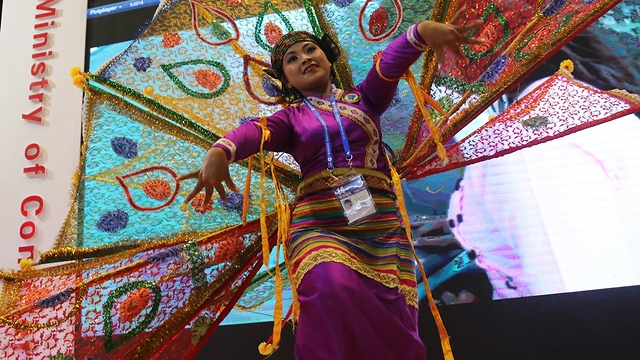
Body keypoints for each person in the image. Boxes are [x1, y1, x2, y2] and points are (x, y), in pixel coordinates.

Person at [180, 8, 483, 360]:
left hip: (379, 223)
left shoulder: (365, 97)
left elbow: (389, 66)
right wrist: (222, 151)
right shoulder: (288, 120)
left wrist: (419, 34)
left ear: (326, 57)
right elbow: (252, 132)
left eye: (310, 50)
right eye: (292, 60)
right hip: (319, 224)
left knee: (392, 313)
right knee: (329, 283)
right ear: (287, 81)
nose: (305, 59)